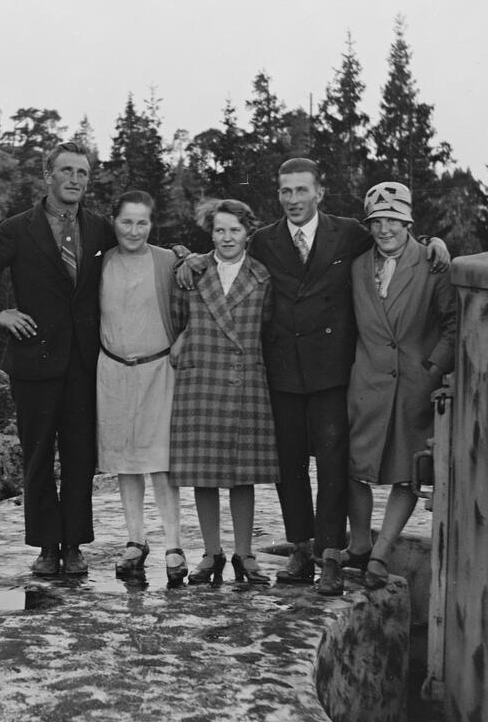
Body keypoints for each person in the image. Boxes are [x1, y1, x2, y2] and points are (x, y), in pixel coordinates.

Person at [177, 158, 449, 596]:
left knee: (333, 465)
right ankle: (301, 549)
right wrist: (191, 257)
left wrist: (435, 242)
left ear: (319, 193)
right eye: (285, 191)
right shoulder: (265, 240)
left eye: (302, 190)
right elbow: (228, 252)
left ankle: (331, 555)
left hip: (333, 372)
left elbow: (395, 236)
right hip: (282, 370)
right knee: (290, 467)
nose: (293, 199)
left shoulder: (349, 232)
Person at [0, 142, 114, 577]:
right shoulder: (18, 228)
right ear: (48, 176)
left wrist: (181, 256)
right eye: (66, 171)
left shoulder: (99, 228)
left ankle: (74, 545)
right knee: (39, 455)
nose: (75, 179)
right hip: (34, 360)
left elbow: (138, 248)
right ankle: (47, 546)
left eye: (82, 172)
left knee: (80, 456)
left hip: (84, 363)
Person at [344, 182, 457, 588]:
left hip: (413, 386)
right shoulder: (357, 266)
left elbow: (453, 325)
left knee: (407, 473)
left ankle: (381, 552)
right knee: (351, 467)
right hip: (366, 383)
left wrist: (431, 369)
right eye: (377, 221)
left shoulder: (432, 262)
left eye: (393, 220)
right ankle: (359, 544)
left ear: (408, 223)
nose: (384, 229)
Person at [169, 199, 277, 586]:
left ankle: (244, 554)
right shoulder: (191, 273)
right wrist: (185, 337)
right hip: (201, 381)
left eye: (235, 230)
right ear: (210, 233)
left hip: (245, 380)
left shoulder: (263, 276)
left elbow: (268, 326)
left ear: (248, 232)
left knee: (243, 474)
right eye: (219, 230)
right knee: (204, 473)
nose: (227, 237)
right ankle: (211, 553)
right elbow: (177, 319)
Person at [97, 190, 186, 586]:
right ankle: (135, 540)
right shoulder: (101, 262)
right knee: (126, 462)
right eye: (126, 222)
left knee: (161, 462)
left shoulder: (168, 260)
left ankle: (174, 545)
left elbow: (199, 299)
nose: (134, 231)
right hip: (113, 371)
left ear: (152, 224)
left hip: (158, 370)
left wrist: (185, 337)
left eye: (142, 222)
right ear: (113, 222)